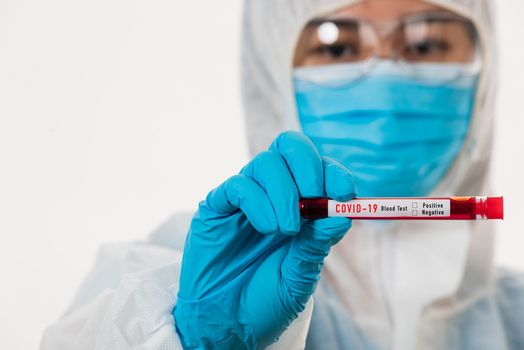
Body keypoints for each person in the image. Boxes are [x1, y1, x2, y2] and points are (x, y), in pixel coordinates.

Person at [40, 0, 524, 349]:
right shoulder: (165, 284)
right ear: (272, 69)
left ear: (488, 72)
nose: (386, 76)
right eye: (336, 48)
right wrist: (194, 341)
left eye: (426, 43)